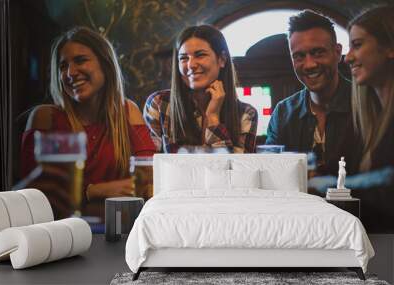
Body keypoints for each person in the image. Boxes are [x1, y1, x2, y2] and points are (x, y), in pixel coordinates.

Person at [20, 27, 156, 219]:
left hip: (119, 230)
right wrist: (94, 191)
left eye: (80, 60)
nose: (70, 73)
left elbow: (148, 178)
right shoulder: (45, 117)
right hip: (62, 234)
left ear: (105, 64)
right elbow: (32, 196)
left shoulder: (128, 111)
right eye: (62, 66)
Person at [308, 5, 394, 232]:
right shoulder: (364, 119)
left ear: (389, 48)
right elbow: (335, 171)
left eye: (357, 45)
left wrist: (320, 184)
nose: (348, 57)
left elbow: (387, 183)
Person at [266, 10, 355, 176]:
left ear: (337, 53)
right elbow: (270, 175)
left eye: (317, 52)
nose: (309, 65)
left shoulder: (366, 104)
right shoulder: (282, 112)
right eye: (299, 56)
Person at [143, 25, 258, 153]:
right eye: (184, 58)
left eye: (200, 55)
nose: (191, 65)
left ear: (222, 59)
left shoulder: (246, 114)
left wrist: (213, 118)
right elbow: (151, 165)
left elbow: (233, 170)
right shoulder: (159, 104)